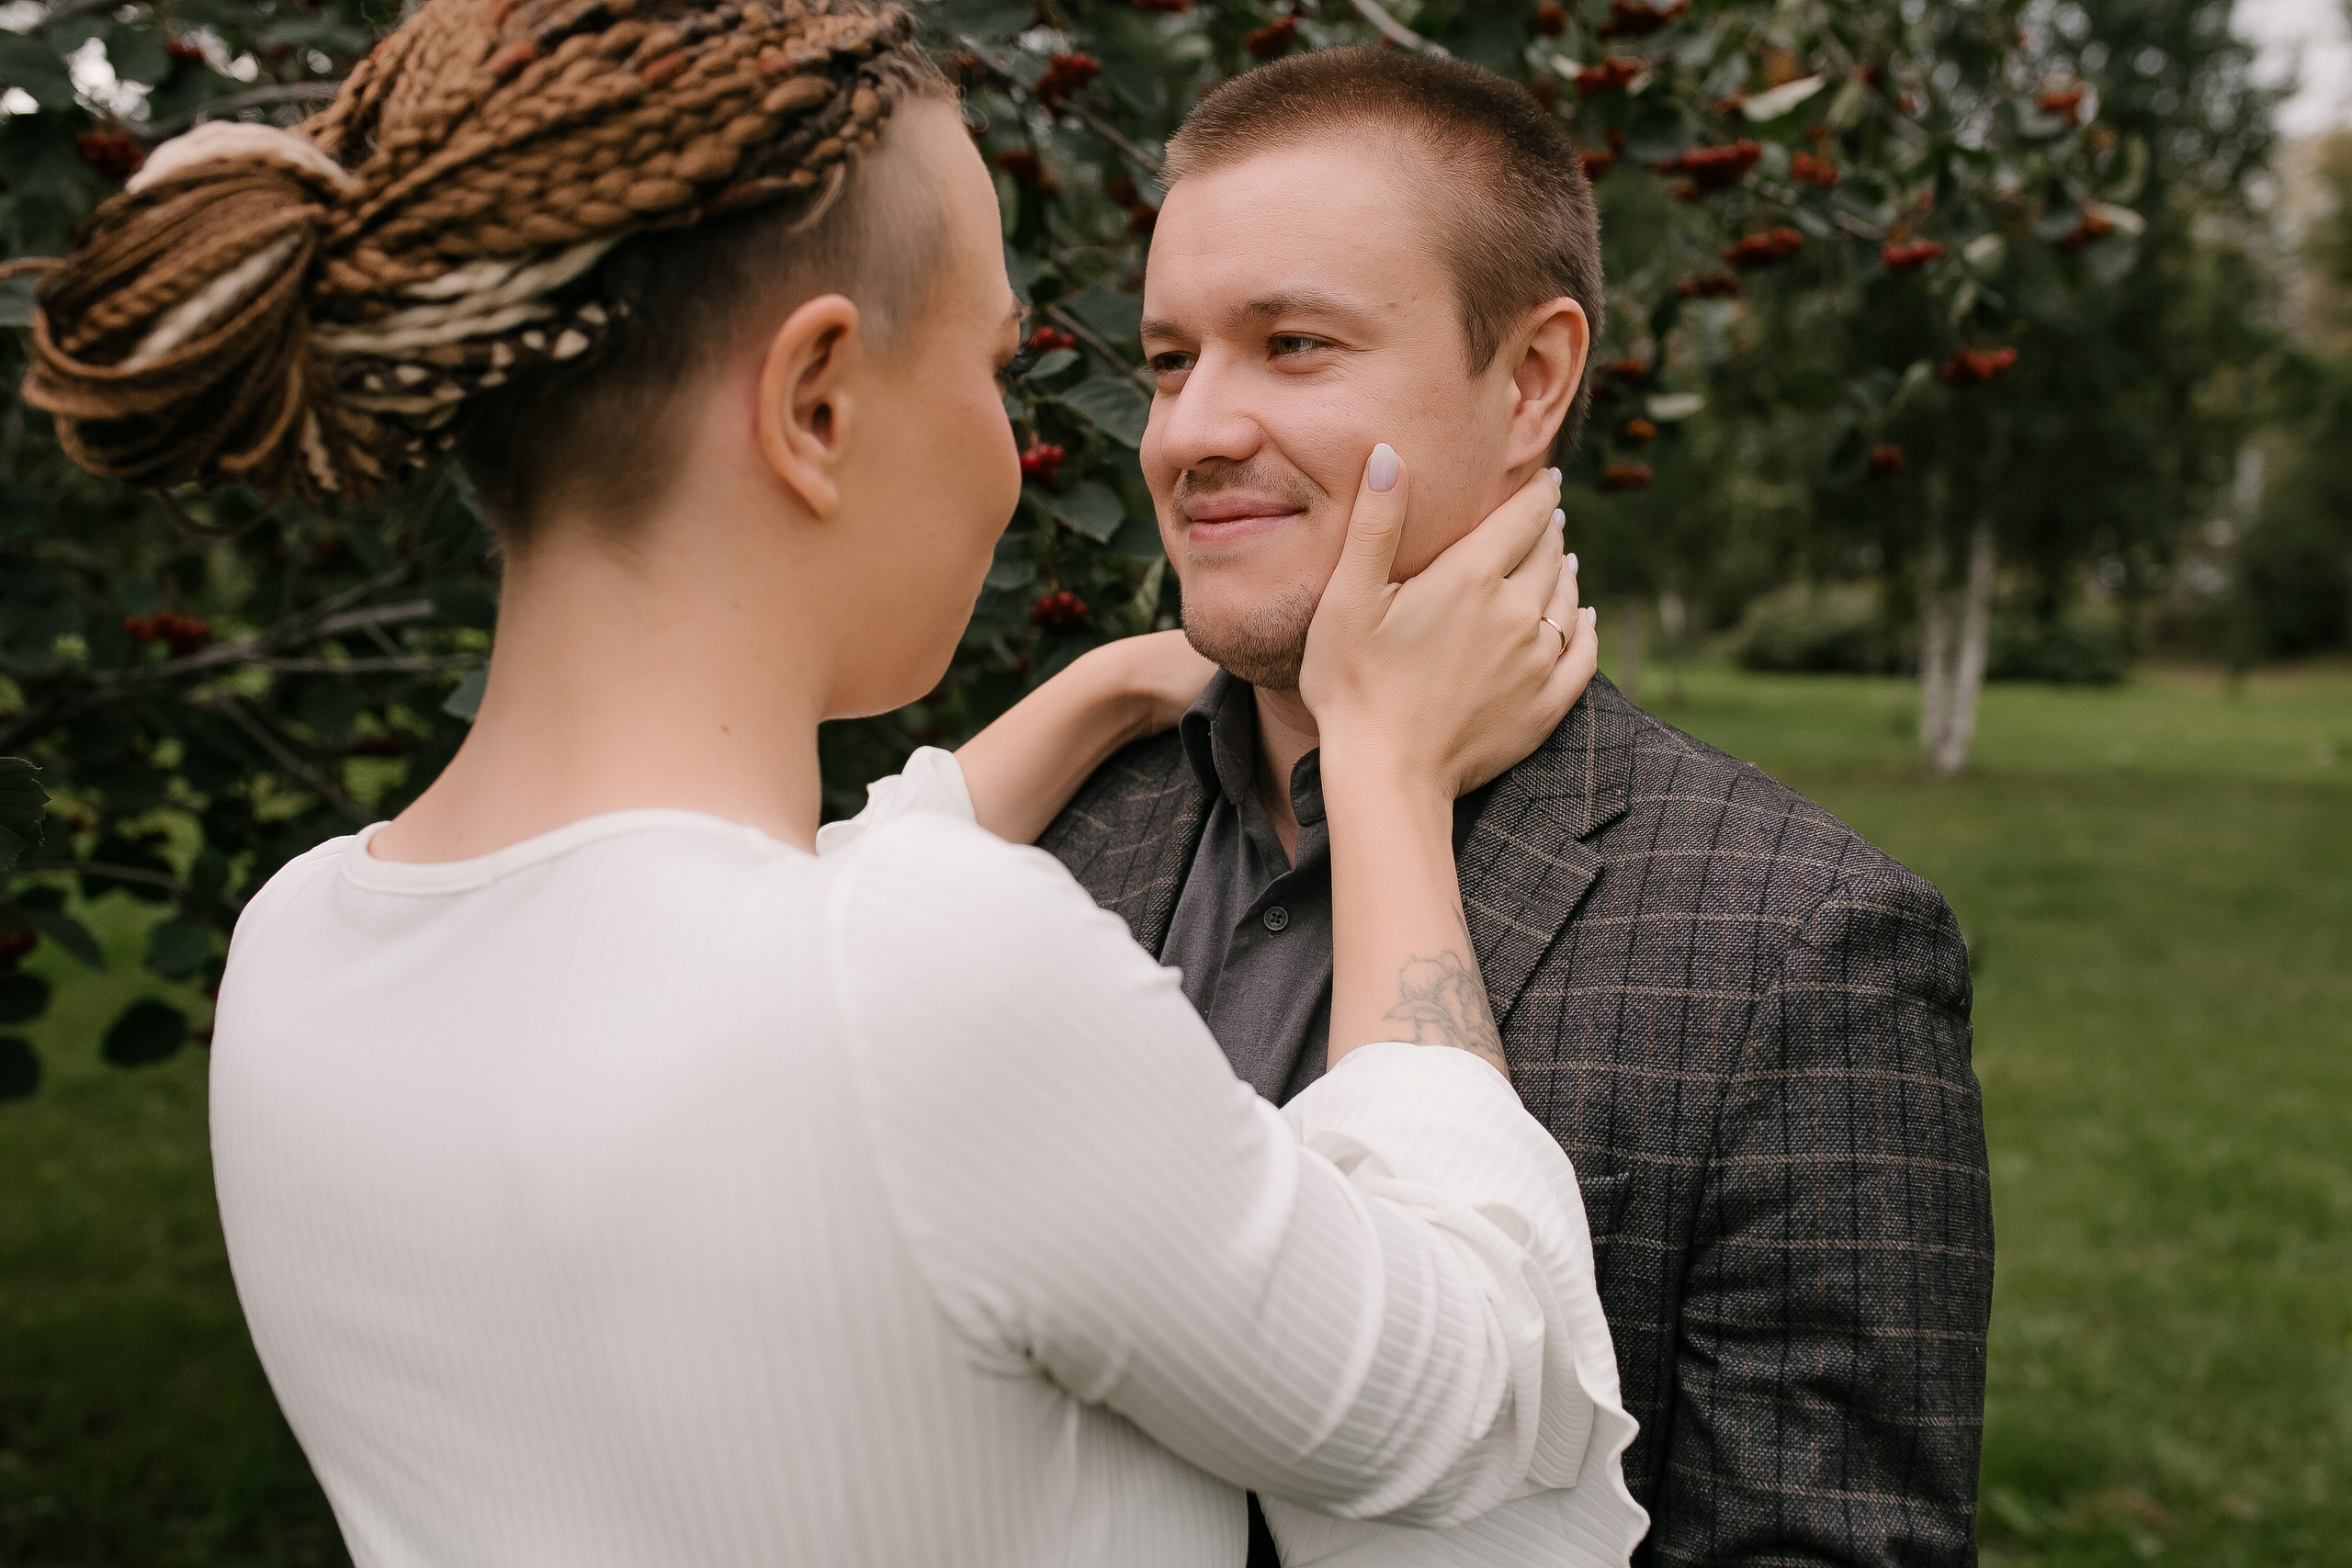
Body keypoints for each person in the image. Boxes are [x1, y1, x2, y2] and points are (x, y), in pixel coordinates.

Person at [10, 2, 1652, 1565]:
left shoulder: (300, 947)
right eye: (999, 370)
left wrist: (1098, 686)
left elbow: (716, 946)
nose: (1049, 452)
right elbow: (1477, 1398)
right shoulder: (933, 969)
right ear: (814, 405)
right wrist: (1385, 773)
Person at [1038, 47, 1996, 1568]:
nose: (1189, 432)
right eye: (1168, 360)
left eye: (1292, 344)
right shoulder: (1059, 844)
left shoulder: (1806, 954)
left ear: (1533, 378)